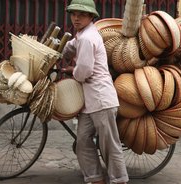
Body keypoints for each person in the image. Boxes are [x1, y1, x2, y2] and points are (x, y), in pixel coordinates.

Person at [61, 0, 129, 183]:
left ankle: (119, 180)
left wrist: (72, 71)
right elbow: (71, 46)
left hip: (101, 100)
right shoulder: (83, 34)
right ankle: (95, 177)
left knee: (109, 145)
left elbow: (84, 71)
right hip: (90, 103)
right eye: (74, 14)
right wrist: (61, 51)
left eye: (81, 14)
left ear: (91, 16)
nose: (76, 18)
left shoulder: (87, 37)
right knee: (82, 141)